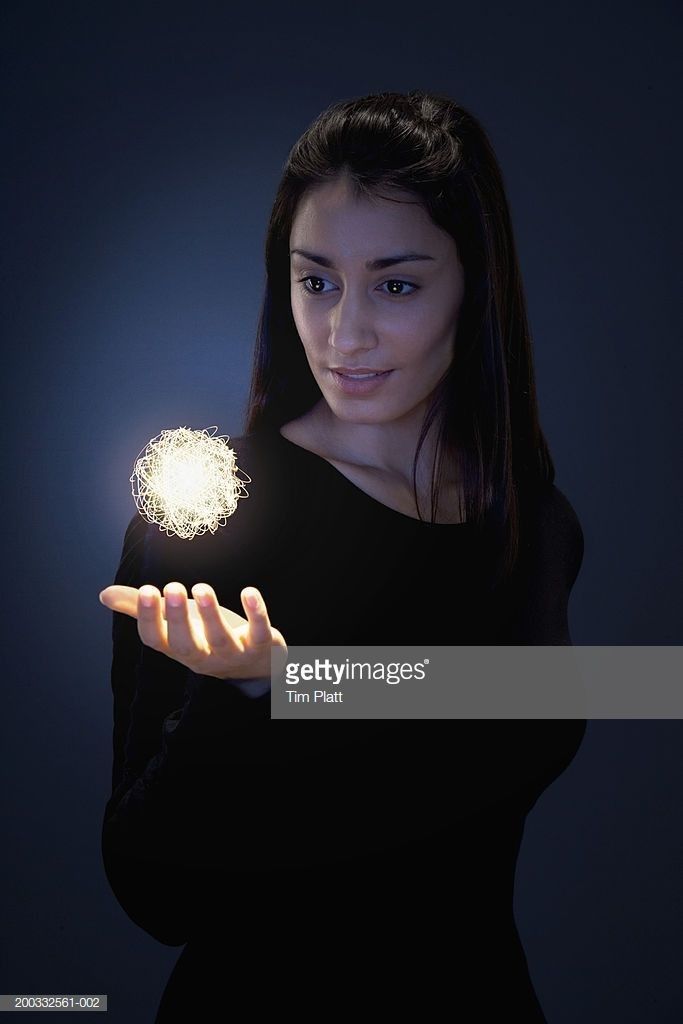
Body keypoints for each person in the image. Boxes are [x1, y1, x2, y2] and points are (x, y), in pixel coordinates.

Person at [99, 90, 586, 1022]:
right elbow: (151, 895)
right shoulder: (208, 520)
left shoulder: (537, 527)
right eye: (314, 280)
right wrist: (243, 693)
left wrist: (302, 683)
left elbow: (546, 712)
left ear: (474, 284)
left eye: (395, 284)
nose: (342, 334)